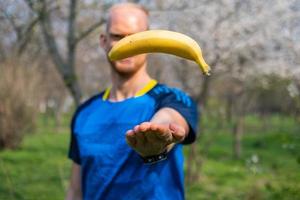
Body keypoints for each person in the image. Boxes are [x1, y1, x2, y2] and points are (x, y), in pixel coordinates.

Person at [66, 3, 198, 200]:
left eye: (136, 37)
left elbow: (170, 118)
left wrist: (160, 138)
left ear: (150, 41)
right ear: (104, 41)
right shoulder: (84, 112)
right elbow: (76, 189)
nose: (128, 46)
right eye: (118, 36)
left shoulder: (171, 98)